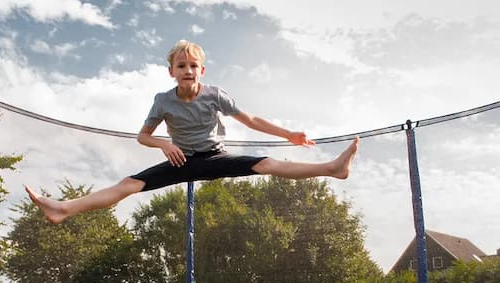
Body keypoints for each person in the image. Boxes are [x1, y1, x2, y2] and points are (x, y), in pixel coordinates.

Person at [26, 40, 359, 224]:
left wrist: (289, 135)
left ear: (202, 70)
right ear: (171, 72)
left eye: (193, 66)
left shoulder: (215, 95)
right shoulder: (163, 102)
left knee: (266, 164)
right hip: (180, 160)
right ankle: (63, 209)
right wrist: (162, 144)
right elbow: (142, 136)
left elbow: (251, 119)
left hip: (214, 157)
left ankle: (332, 169)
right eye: (181, 66)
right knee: (128, 185)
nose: (188, 70)